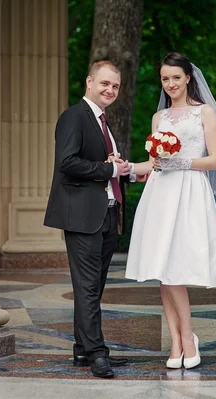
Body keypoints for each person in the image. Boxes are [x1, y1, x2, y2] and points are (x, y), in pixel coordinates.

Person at [125, 52, 216, 370]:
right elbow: (155, 163)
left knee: (176, 268)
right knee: (163, 269)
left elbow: (215, 160)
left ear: (188, 77)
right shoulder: (158, 119)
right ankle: (177, 341)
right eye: (164, 79)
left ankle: (188, 337)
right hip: (160, 192)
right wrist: (138, 166)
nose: (170, 84)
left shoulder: (206, 113)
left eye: (176, 77)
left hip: (189, 193)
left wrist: (181, 161)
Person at [44, 60, 148, 378]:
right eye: (104, 83)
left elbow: (103, 165)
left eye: (115, 86)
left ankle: (82, 351)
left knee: (93, 287)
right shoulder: (74, 116)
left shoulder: (102, 121)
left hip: (107, 214)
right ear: (89, 81)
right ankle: (97, 353)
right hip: (82, 216)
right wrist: (112, 169)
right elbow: (68, 163)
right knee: (88, 287)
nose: (110, 90)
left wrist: (126, 173)